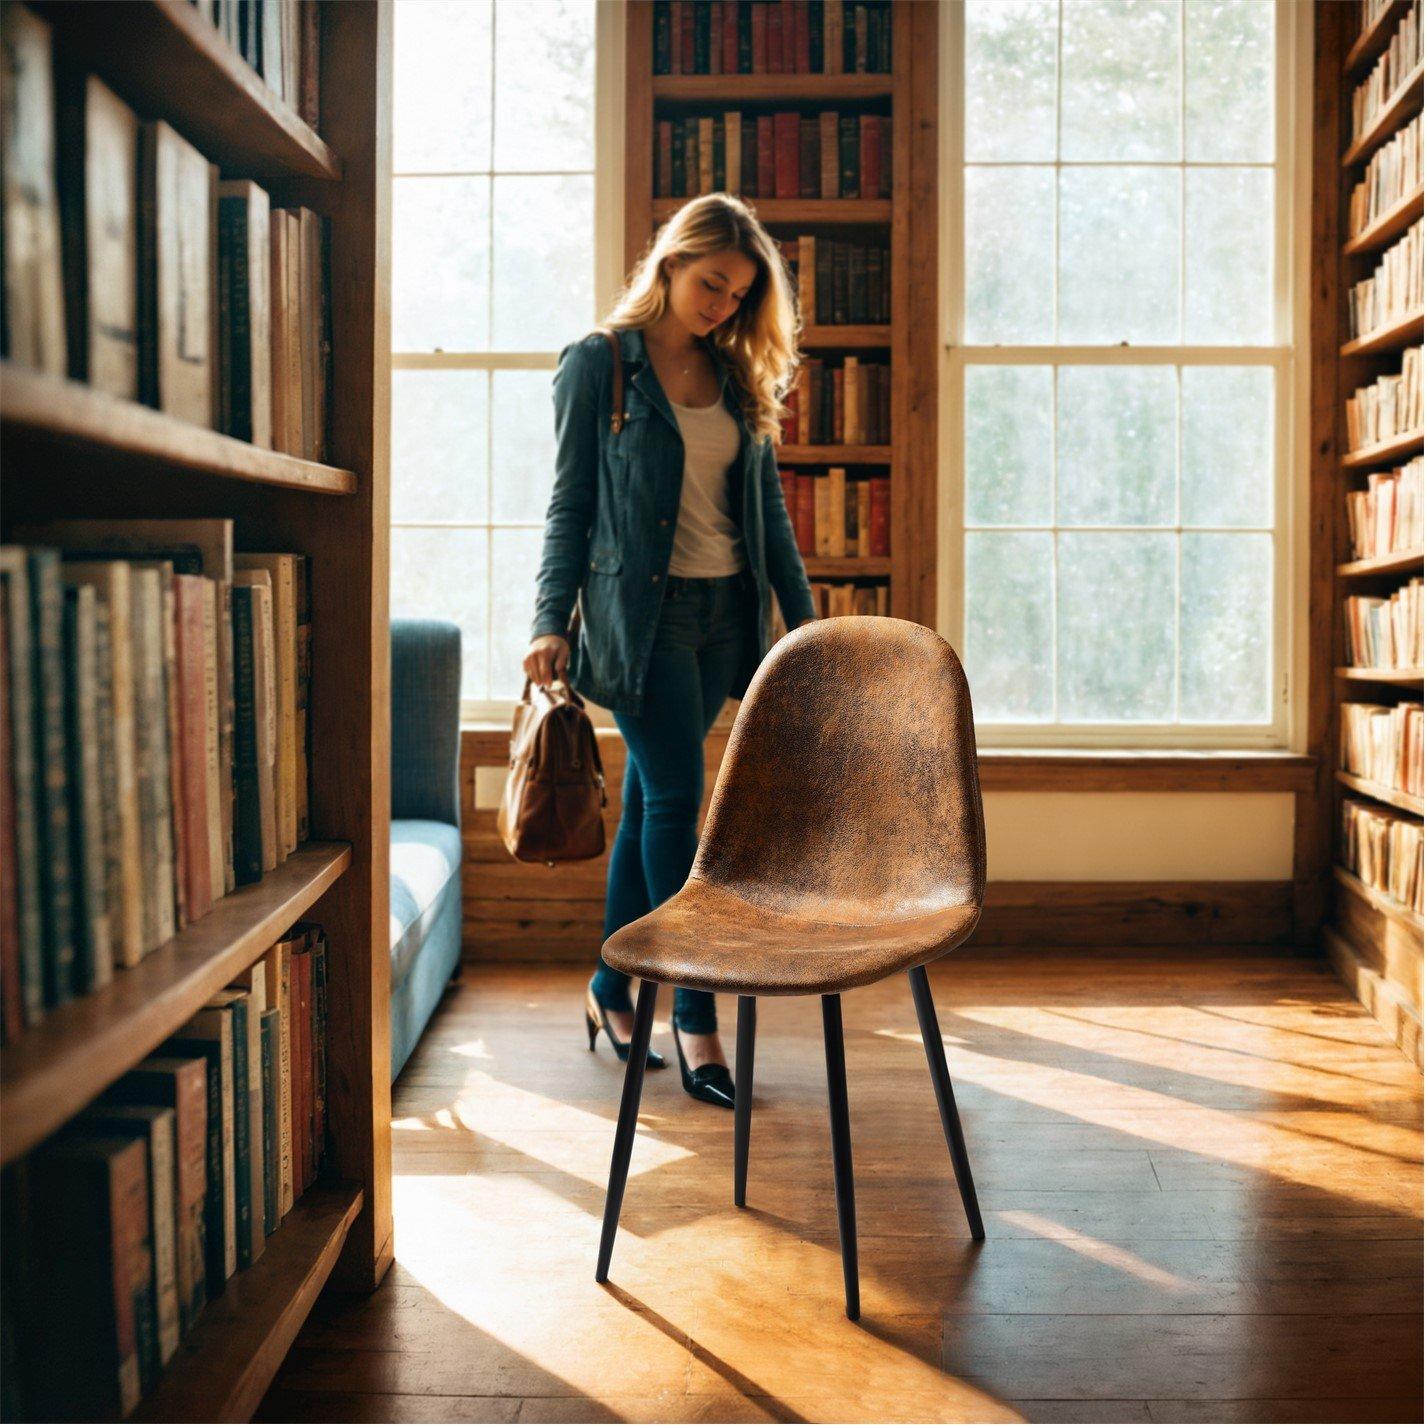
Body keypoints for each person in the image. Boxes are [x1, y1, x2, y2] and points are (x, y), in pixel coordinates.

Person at [523, 192, 818, 1109]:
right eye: (711, 283)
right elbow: (569, 503)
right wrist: (547, 619)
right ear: (669, 265)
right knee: (680, 801)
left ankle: (610, 990)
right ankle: (692, 1015)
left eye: (737, 295)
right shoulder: (599, 366)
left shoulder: (733, 377)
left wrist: (802, 629)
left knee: (656, 793)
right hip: (634, 623)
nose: (721, 305)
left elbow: (765, 515)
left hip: (724, 620)